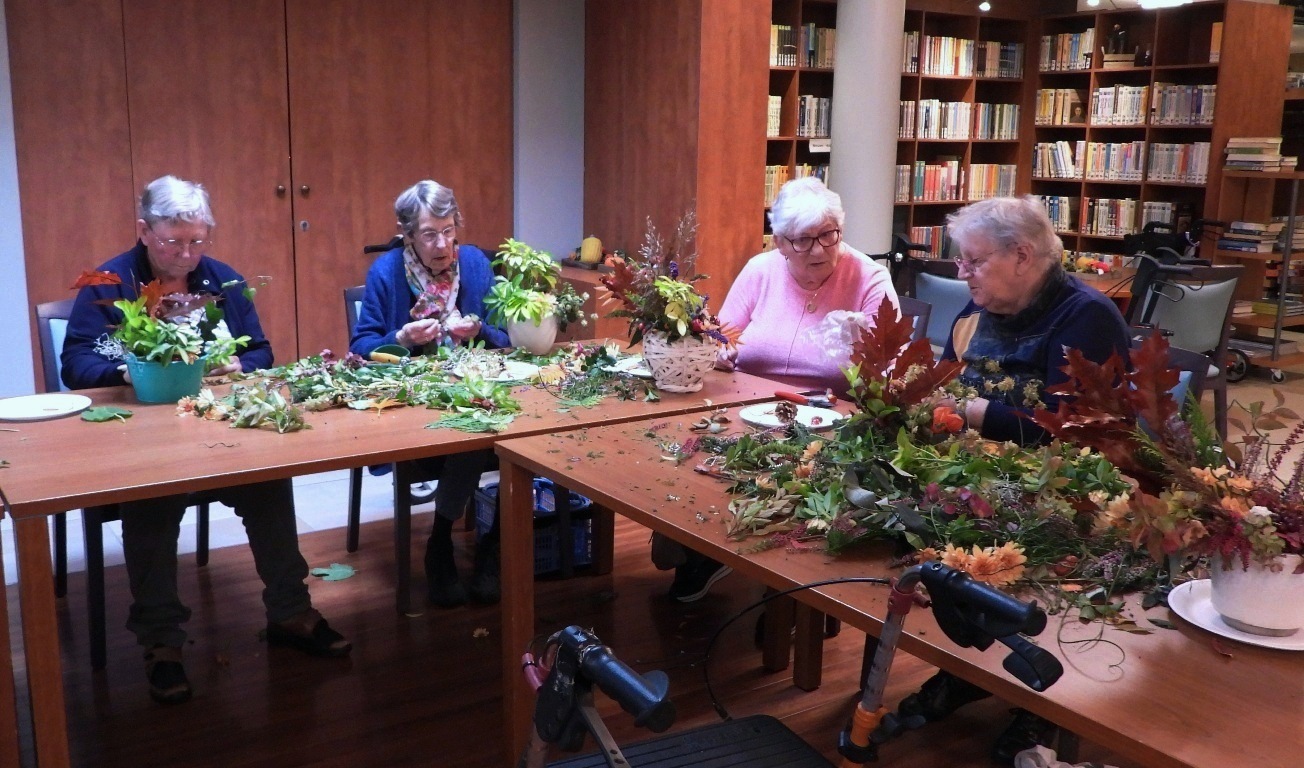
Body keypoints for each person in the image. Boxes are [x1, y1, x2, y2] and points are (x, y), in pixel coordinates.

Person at [62, 175, 350, 706]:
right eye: (174, 241)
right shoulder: (110, 284)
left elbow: (262, 351)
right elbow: (75, 365)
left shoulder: (223, 280)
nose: (187, 254)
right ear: (144, 230)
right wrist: (131, 370)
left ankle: (290, 611)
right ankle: (161, 641)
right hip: (145, 438)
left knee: (270, 484)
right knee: (150, 504)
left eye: (197, 241)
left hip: (218, 427)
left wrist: (240, 362)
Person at [902, 195, 1131, 764]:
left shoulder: (1086, 317)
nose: (963, 273)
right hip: (983, 471)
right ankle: (970, 669)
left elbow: (1076, 432)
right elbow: (951, 380)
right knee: (910, 517)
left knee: (1020, 539)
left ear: (1022, 256)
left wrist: (978, 415)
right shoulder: (980, 308)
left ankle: (1043, 700)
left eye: (974, 261)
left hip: (1069, 485)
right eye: (962, 261)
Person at [654, 176, 900, 602]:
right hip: (747, 406)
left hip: (826, 422)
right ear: (781, 242)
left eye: (828, 235)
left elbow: (893, 371)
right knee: (684, 446)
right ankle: (697, 542)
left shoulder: (869, 278)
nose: (819, 250)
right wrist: (723, 352)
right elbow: (721, 336)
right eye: (803, 240)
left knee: (763, 467)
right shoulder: (760, 270)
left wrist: (861, 354)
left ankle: (760, 576)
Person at [350, 179, 507, 607]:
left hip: (478, 387)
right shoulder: (386, 271)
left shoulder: (474, 263)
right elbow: (361, 347)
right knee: (473, 434)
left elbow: (506, 335)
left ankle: (495, 544)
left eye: (448, 230)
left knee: (516, 436)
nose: (442, 245)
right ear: (407, 236)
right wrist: (401, 337)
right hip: (414, 403)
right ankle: (440, 544)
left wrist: (479, 330)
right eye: (429, 234)